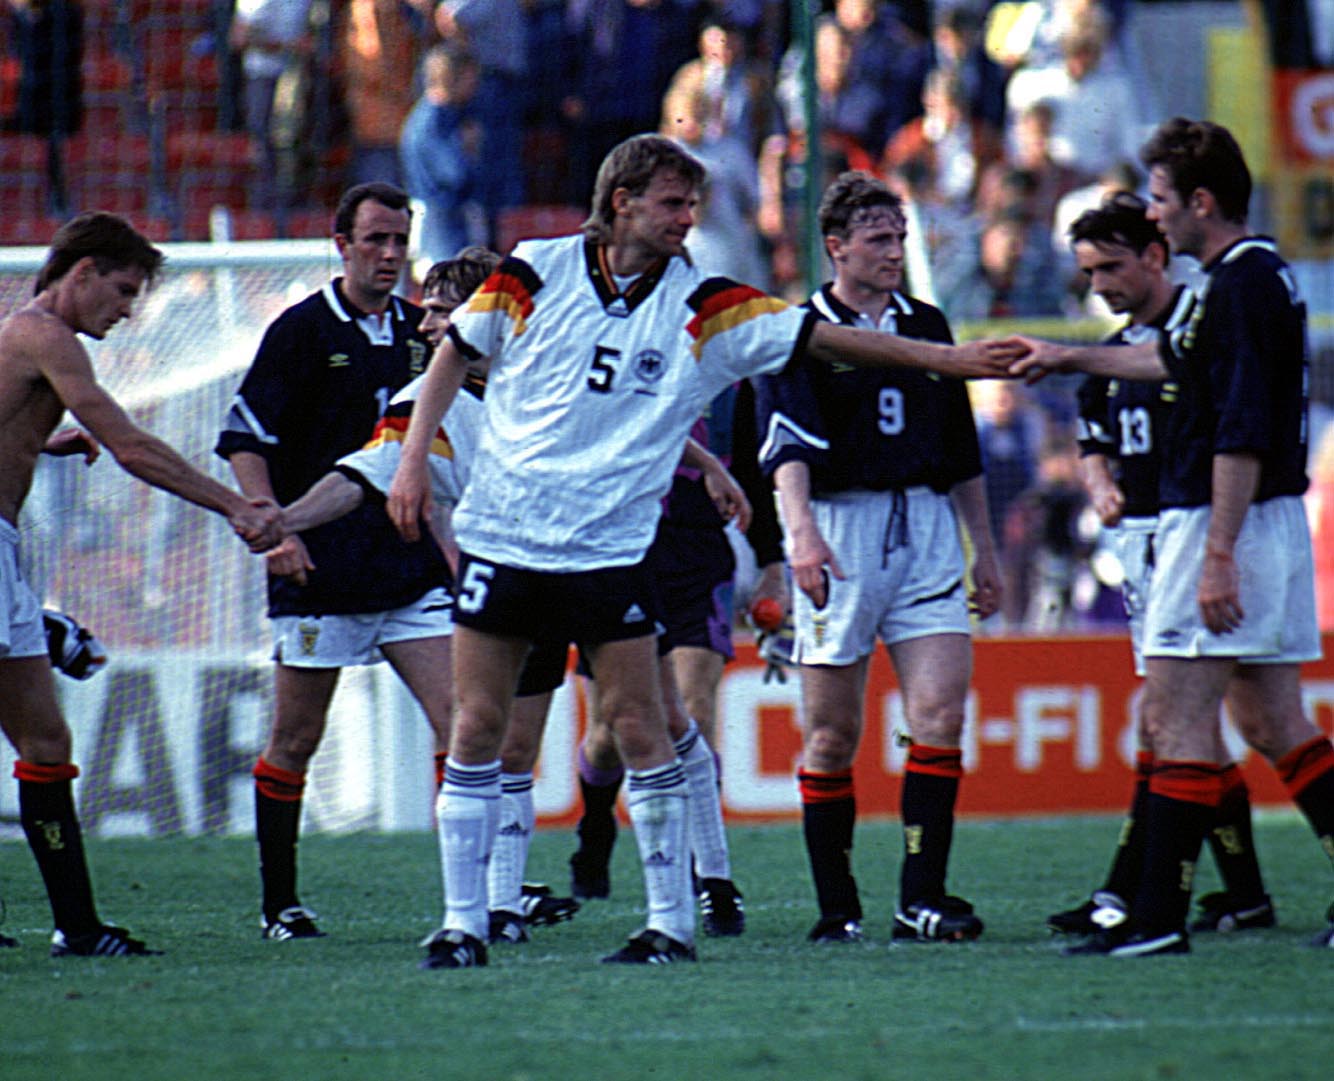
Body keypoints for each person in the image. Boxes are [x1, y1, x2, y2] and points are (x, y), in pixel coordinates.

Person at [385, 134, 1014, 969]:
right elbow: (455, 354)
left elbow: (825, 340)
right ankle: (463, 922)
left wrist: (947, 359)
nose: (689, 219)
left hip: (609, 549)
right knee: (479, 727)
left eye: (693, 205)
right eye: (674, 204)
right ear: (623, 204)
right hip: (505, 536)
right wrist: (411, 464)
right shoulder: (533, 270)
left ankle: (669, 923)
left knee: (646, 726)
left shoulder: (708, 304)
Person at [1010, 118, 1334, 954]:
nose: (1154, 217)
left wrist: (1218, 552)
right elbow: (1174, 365)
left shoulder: (1238, 285)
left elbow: (1239, 428)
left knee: (1177, 713)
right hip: (1261, 520)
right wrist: (1066, 357)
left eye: (1159, 200)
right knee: (1272, 722)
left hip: (1221, 519)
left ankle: (1154, 915)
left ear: (1200, 201)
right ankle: (1161, 904)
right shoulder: (1249, 278)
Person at [277, 247, 581, 944]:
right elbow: (365, 473)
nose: (424, 325)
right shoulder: (425, 402)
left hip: (582, 563)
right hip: (499, 578)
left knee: (636, 726)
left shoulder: (546, 377)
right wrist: (284, 519)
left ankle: (694, 888)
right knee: (496, 743)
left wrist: (705, 463)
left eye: (441, 309)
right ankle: (494, 907)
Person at [0, 212, 280, 956]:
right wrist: (231, 504)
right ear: (82, 271)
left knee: (45, 736)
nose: (127, 311)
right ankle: (79, 926)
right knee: (40, 735)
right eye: (123, 291)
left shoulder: (25, 339)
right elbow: (129, 445)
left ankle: (79, 926)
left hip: (3, 547)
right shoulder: (44, 335)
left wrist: (35, 437)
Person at [754, 171, 1001, 944]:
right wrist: (800, 533)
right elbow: (785, 446)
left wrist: (983, 549)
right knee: (830, 732)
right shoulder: (800, 330)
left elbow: (961, 451)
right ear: (837, 248)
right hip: (840, 528)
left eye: (899, 237)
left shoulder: (926, 322)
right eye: (879, 240)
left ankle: (921, 894)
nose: (895, 251)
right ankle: (837, 905)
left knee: (939, 712)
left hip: (925, 527)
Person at [215, 182, 453, 942]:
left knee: (467, 728)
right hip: (318, 571)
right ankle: (279, 903)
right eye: (376, 240)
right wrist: (272, 527)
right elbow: (246, 437)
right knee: (296, 740)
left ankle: (484, 895)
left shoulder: (426, 333)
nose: (390, 255)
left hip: (410, 571)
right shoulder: (301, 331)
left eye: (399, 241)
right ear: (341, 243)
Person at [1046, 191, 1276, 938]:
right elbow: (1089, 437)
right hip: (1146, 549)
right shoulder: (1112, 357)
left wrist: (1216, 549)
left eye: (1110, 267)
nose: (1100, 286)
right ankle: (1232, 893)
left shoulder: (1196, 329)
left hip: (1201, 537)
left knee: (1188, 721)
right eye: (1088, 273)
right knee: (1195, 725)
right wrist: (1101, 480)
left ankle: (1136, 897)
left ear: (1155, 254)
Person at [399, 43, 483, 269]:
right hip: (440, 225)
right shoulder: (431, 124)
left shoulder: (446, 117)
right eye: (469, 77)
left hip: (447, 223)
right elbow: (453, 174)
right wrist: (468, 149)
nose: (474, 85)